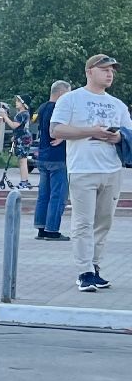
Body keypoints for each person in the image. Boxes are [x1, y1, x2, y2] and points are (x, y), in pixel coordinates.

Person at [50, 55, 130, 293]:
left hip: (112, 170)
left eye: (112, 71)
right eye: (104, 69)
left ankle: (95, 267)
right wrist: (90, 131)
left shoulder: (118, 104)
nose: (109, 74)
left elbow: (128, 131)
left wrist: (119, 137)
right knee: (83, 221)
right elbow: (56, 129)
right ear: (89, 71)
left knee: (104, 221)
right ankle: (84, 271)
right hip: (83, 169)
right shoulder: (72, 99)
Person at [34, 81, 71, 241]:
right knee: (58, 195)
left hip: (43, 156)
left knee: (43, 194)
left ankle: (41, 228)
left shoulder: (42, 107)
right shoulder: (59, 109)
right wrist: (63, 136)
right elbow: (57, 131)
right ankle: (52, 230)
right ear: (62, 93)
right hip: (58, 157)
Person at [0, 95, 34, 189]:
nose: (16, 103)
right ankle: (24, 181)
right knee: (21, 160)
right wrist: (15, 136)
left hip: (23, 139)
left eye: (18, 101)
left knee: (23, 160)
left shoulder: (22, 114)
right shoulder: (22, 114)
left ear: (24, 104)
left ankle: (24, 182)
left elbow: (13, 125)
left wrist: (5, 116)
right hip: (21, 138)